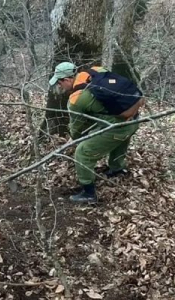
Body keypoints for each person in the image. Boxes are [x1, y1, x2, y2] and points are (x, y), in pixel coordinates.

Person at [49, 61, 145, 204]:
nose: (60, 86)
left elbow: (76, 128)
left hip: (120, 127)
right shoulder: (96, 71)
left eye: (60, 83)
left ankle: (88, 193)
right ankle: (117, 169)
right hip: (134, 119)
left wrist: (75, 140)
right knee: (119, 139)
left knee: (82, 152)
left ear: (68, 79)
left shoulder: (76, 99)